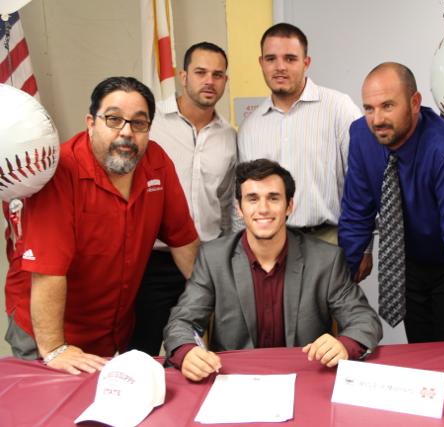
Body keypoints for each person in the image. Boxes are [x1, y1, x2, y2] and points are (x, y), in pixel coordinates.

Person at [4, 77, 200, 375]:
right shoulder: (61, 172)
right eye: (113, 119)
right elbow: (47, 271)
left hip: (110, 328)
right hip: (48, 333)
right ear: (90, 122)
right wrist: (54, 348)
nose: (126, 132)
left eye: (138, 123)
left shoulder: (157, 161)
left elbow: (184, 242)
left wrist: (216, 307)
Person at [339, 62, 444, 356]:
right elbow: (357, 210)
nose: (377, 119)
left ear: (414, 103)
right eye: (369, 108)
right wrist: (342, 281)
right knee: (421, 349)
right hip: (412, 254)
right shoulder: (362, 135)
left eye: (388, 106)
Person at [164, 159, 382, 381]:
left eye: (273, 198)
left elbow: (364, 319)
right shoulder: (213, 258)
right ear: (239, 208)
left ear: (289, 206)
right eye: (252, 199)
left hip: (304, 378)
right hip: (233, 380)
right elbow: (182, 321)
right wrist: (186, 351)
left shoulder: (326, 259)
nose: (263, 209)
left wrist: (344, 345)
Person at [235, 23, 373, 283]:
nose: (280, 67)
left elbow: (363, 180)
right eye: (271, 59)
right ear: (261, 63)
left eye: (290, 58)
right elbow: (241, 198)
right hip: (266, 246)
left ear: (306, 62)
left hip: (328, 242)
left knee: (326, 323)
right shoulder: (250, 127)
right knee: (272, 323)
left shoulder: (338, 108)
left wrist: (365, 246)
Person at [128, 42, 236, 356]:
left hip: (208, 258)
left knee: (201, 352)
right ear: (183, 76)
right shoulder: (150, 122)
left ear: (225, 82)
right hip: (156, 261)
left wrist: (227, 251)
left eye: (218, 75)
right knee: (144, 352)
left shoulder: (228, 135)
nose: (209, 81)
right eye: (201, 72)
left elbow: (227, 201)